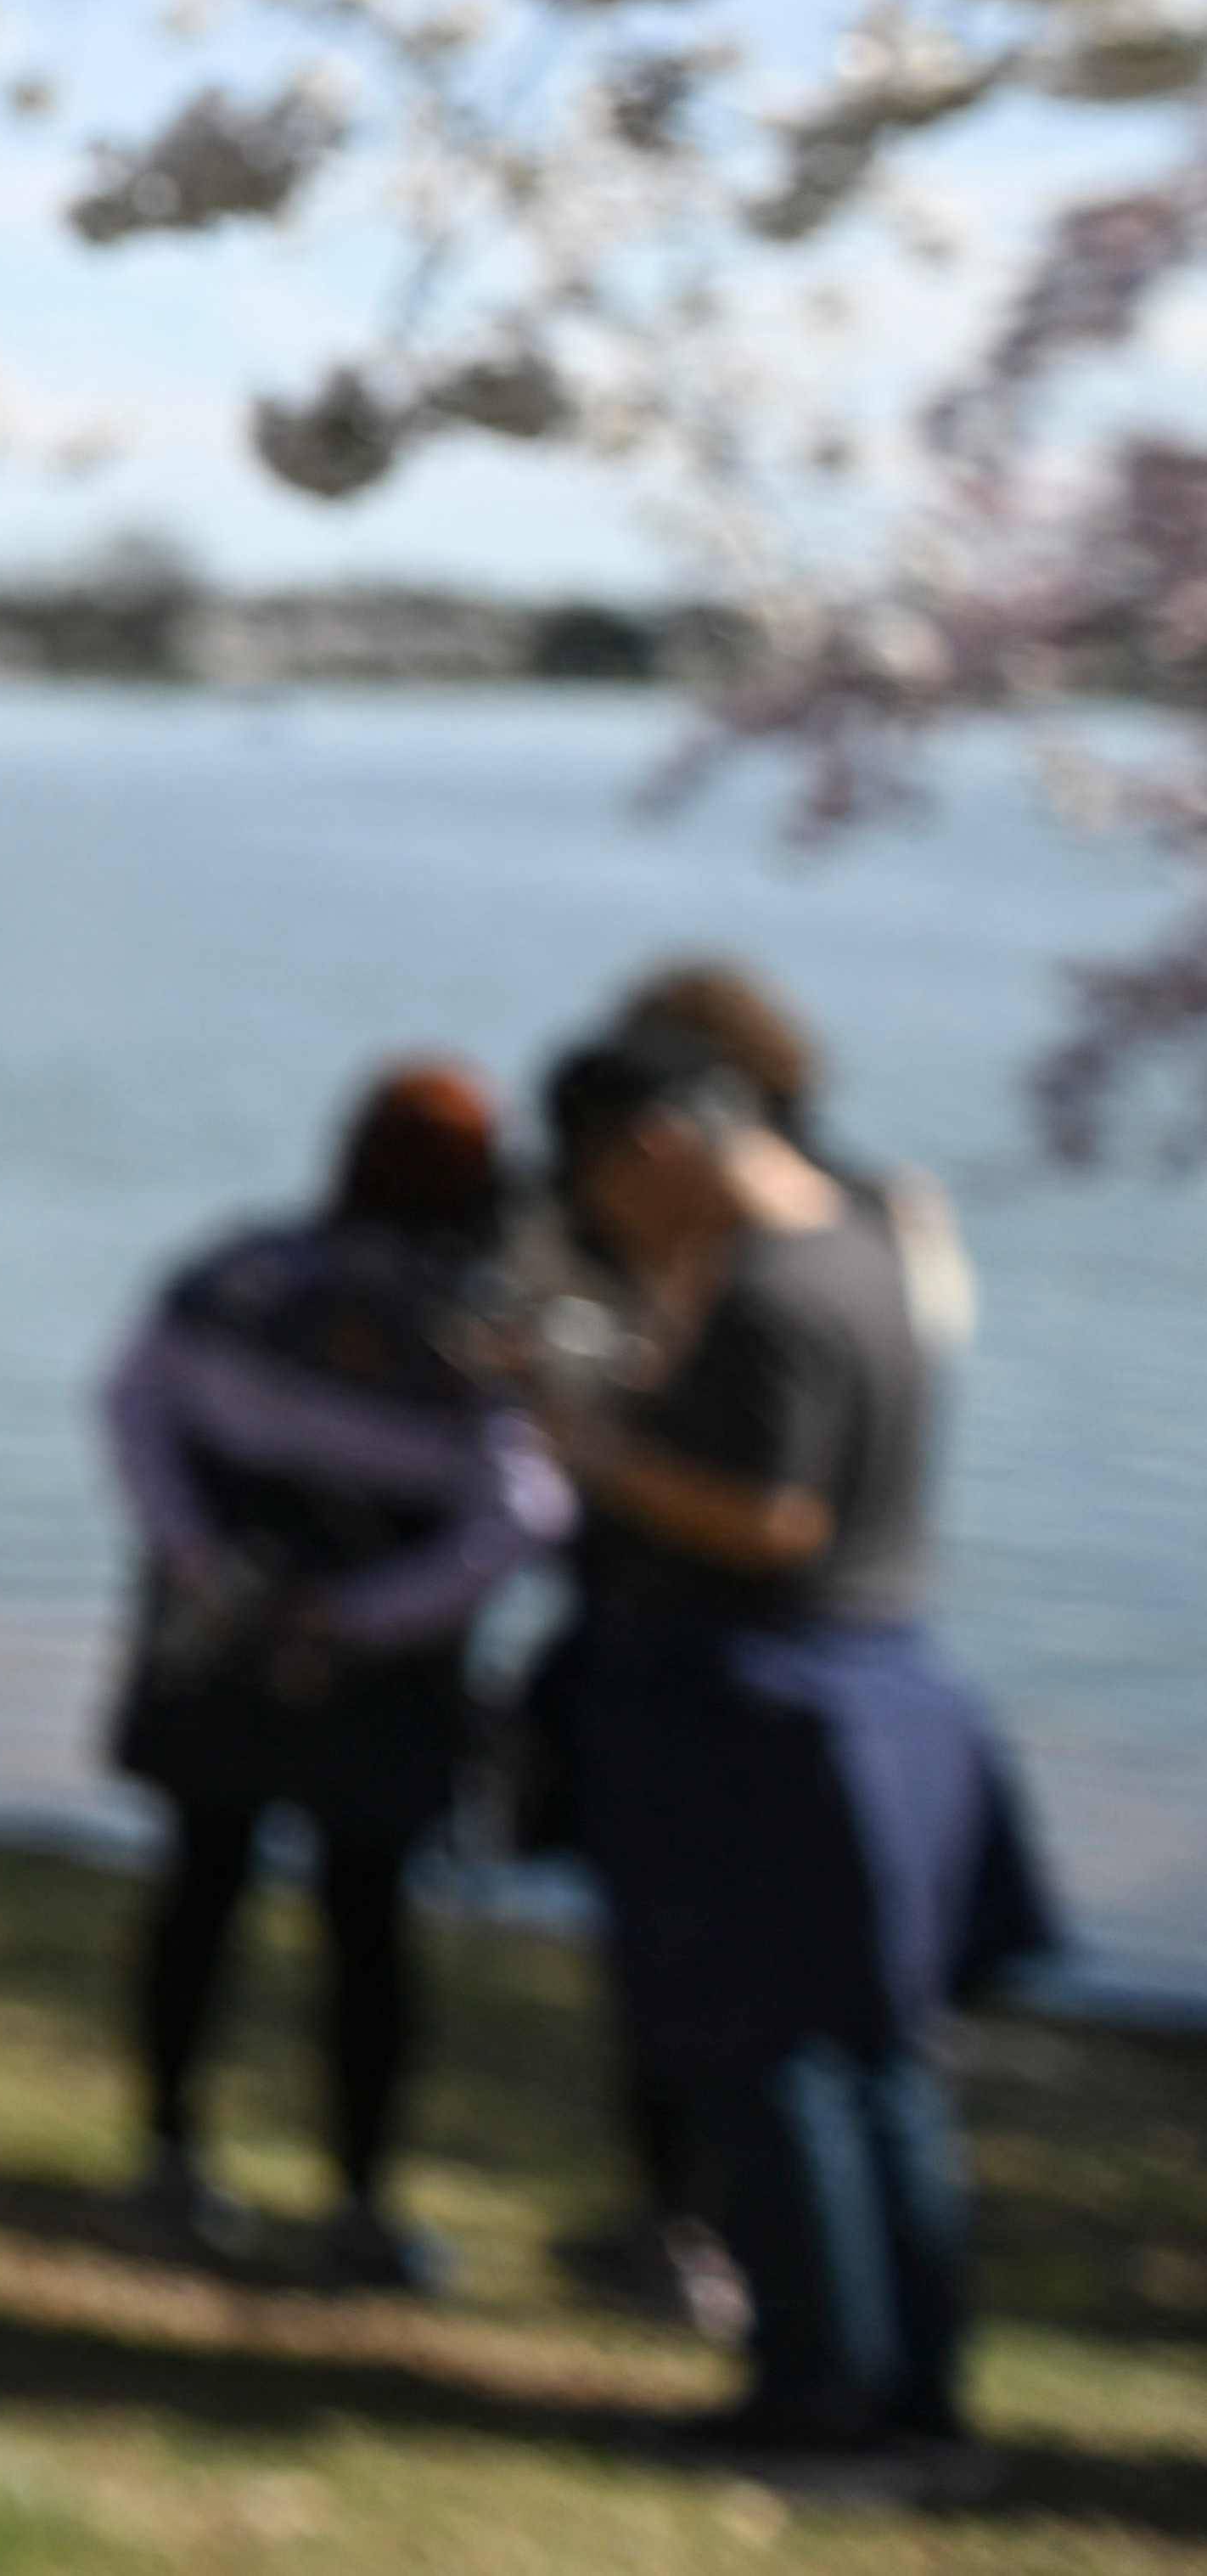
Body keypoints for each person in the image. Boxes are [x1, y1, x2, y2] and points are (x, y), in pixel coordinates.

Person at [534, 1022, 1054, 2497]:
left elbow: (773, 1516)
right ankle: (911, 2396)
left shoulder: (766, 1289)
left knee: (775, 2061)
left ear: (653, 1142)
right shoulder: (870, 1240)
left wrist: (586, 1442)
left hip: (772, 1704)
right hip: (886, 1691)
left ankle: (819, 2400)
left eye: (596, 1178)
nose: (599, 1216)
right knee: (879, 2059)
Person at [95, 1062, 570, 2286]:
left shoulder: (246, 1273)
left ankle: (168, 2157)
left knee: (201, 1890)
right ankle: (354, 2199)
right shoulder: (482, 1322)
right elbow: (519, 1513)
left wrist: (200, 1567)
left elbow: (129, 1403)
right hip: (375, 1669)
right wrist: (365, 1619)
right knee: (363, 1925)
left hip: (223, 1637)